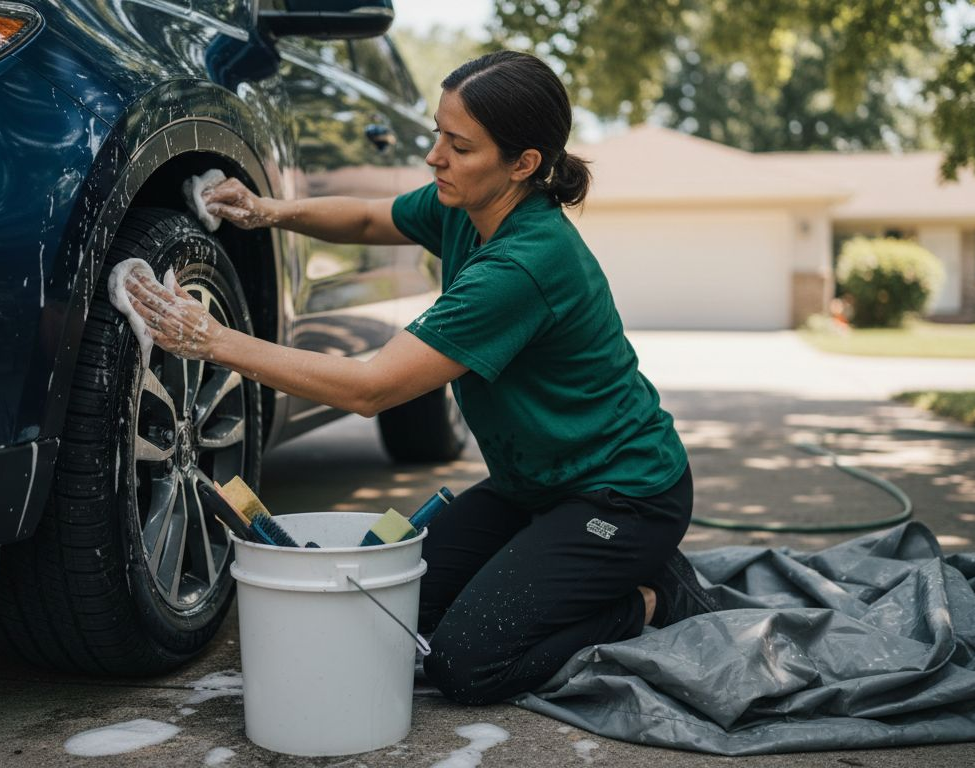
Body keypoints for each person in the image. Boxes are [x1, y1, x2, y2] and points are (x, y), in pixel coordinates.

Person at [126, 50, 715, 705]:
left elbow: (370, 388)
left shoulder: (523, 266)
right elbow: (371, 219)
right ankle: (580, 566)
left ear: (523, 165)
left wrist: (214, 340)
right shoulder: (466, 208)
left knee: (465, 665)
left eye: (459, 145)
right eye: (437, 133)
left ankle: (652, 595)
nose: (436, 156)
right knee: (389, 613)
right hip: (533, 486)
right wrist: (267, 211)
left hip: (623, 497)